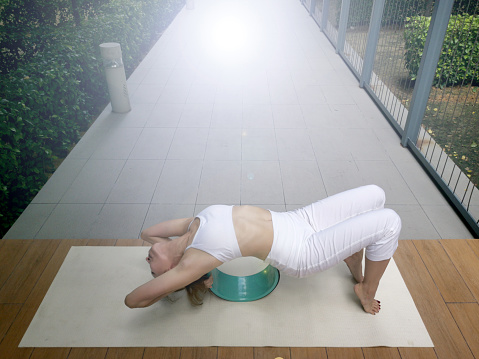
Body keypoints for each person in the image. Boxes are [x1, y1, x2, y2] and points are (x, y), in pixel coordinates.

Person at [125, 185, 401, 315]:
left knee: (377, 194)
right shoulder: (192, 262)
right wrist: (168, 283)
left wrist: (160, 249)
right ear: (171, 273)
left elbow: (146, 233)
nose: (148, 261)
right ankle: (366, 291)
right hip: (302, 251)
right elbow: (132, 300)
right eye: (153, 272)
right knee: (390, 222)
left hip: (299, 219)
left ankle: (351, 253)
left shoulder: (190, 227)